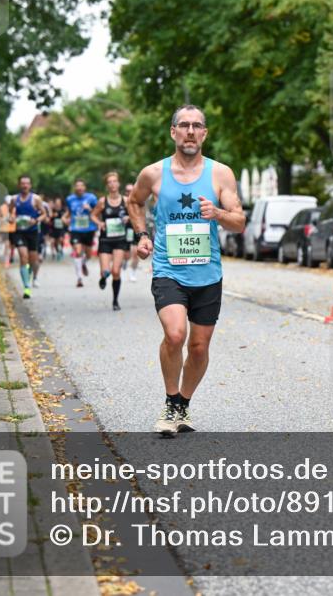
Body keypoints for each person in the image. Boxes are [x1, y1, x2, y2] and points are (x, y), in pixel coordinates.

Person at [128, 104, 245, 435]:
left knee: (199, 347)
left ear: (205, 133)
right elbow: (134, 202)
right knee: (175, 334)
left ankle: (183, 404)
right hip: (168, 268)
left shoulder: (221, 173)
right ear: (173, 132)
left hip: (208, 273)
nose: (190, 131)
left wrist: (218, 214)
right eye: (184, 125)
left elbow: (239, 222)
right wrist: (142, 235)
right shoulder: (153, 173)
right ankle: (169, 403)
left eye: (197, 126)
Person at [91, 172, 131, 311]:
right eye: (110, 182)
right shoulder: (102, 201)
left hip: (120, 239)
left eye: (115, 181)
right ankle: (103, 278)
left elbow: (134, 214)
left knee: (116, 271)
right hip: (105, 239)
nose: (113, 184)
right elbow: (93, 215)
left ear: (118, 183)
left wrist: (128, 218)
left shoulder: (126, 200)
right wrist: (100, 223)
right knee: (106, 271)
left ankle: (115, 300)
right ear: (107, 185)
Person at [9, 176, 46, 299]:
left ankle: (30, 277)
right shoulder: (14, 199)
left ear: (30, 185)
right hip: (19, 232)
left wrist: (36, 220)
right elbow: (11, 213)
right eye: (22, 183)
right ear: (19, 185)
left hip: (33, 232)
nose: (25, 185)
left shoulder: (36, 199)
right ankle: (26, 287)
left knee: (33, 261)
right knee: (23, 257)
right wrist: (12, 218)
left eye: (27, 183)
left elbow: (44, 214)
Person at [66, 179, 99, 287]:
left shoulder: (92, 198)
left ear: (85, 187)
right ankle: (79, 278)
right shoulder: (70, 199)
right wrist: (65, 219)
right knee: (78, 251)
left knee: (88, 255)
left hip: (89, 229)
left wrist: (89, 208)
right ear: (75, 187)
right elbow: (69, 213)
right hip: (75, 229)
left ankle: (83, 263)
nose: (79, 188)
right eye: (77, 186)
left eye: (81, 186)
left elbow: (97, 212)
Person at [123, 182, 141, 282]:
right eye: (127, 191)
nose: (129, 192)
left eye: (131, 190)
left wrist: (129, 217)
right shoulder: (122, 201)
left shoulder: (138, 201)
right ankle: (125, 260)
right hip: (125, 230)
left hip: (136, 229)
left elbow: (141, 215)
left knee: (135, 253)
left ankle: (133, 273)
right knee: (126, 254)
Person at [48, 197, 67, 261]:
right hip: (53, 228)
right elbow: (49, 218)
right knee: (53, 242)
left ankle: (60, 250)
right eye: (56, 202)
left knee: (60, 240)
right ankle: (56, 252)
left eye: (59, 202)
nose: (57, 204)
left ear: (61, 203)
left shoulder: (64, 210)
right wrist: (52, 215)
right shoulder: (52, 210)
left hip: (61, 228)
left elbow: (66, 217)